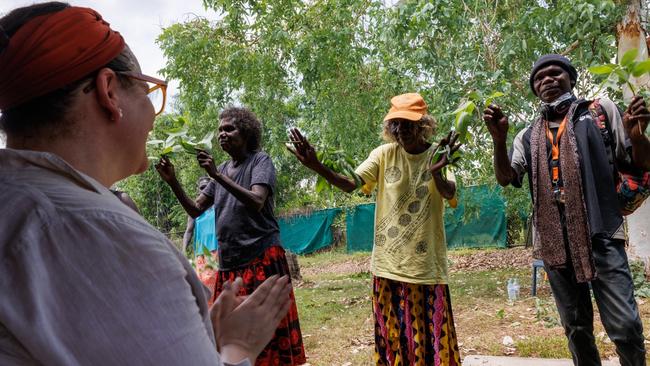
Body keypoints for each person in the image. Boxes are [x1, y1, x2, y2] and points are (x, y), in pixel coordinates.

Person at [0, 3, 292, 365]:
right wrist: (236, 347)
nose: (154, 113)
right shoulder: (109, 235)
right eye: (148, 91)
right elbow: (197, 210)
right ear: (109, 91)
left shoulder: (17, 202)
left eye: (229, 129)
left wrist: (197, 337)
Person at [483, 54, 650, 365]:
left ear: (571, 79)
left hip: (602, 233)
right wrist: (498, 139)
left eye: (555, 73)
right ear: (534, 89)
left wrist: (639, 137)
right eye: (539, 78)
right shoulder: (527, 135)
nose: (547, 79)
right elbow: (507, 177)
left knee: (625, 326)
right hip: (554, 242)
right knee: (575, 328)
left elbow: (641, 162)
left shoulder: (600, 112)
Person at [288, 93, 462, 365]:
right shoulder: (383, 154)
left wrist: (436, 172)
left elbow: (450, 194)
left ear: (423, 126)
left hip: (426, 268)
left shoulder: (437, 154)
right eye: (397, 124)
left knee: (430, 340)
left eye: (408, 124)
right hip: (386, 266)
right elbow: (351, 183)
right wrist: (316, 165)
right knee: (392, 339)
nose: (402, 130)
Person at [155, 107, 306, 366]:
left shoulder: (260, 161)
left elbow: (257, 200)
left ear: (246, 133)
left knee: (267, 331)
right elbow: (195, 209)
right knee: (234, 332)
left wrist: (216, 175)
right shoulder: (223, 169)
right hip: (230, 261)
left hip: (261, 255)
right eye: (220, 130)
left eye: (229, 129)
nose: (222, 134)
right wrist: (173, 182)